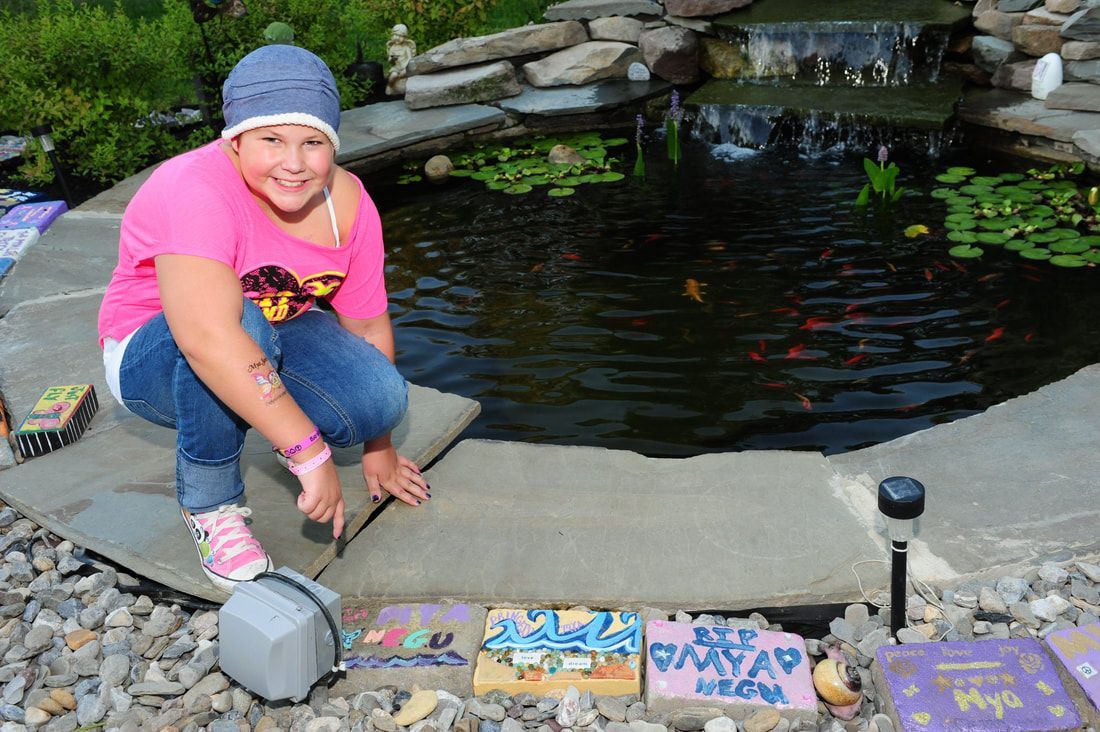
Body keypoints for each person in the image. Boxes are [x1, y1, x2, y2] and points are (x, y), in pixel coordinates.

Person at [96, 44, 429, 592]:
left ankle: (272, 416)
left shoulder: (349, 204)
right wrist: (308, 451)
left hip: (274, 327)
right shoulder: (192, 188)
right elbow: (207, 337)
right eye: (271, 140)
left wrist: (380, 445)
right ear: (235, 138)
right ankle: (212, 505)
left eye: (313, 143)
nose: (294, 164)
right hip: (156, 355)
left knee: (380, 399)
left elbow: (368, 325)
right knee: (234, 326)